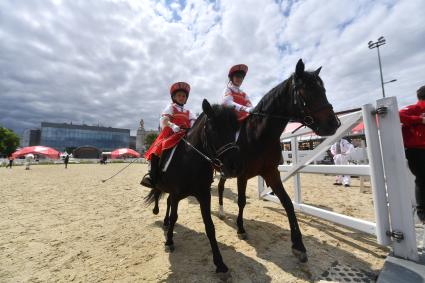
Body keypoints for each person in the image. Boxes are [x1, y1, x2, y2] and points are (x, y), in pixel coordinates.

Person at [141, 82, 196, 188]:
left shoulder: (189, 112)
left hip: (186, 134)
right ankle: (152, 176)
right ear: (174, 97)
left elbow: (194, 122)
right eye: (179, 95)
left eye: (183, 96)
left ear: (186, 99)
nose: (181, 97)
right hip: (171, 134)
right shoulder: (170, 108)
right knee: (156, 151)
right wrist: (172, 125)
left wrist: (193, 129)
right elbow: (164, 119)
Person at [399, 85, 425, 222]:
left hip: (418, 149)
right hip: (417, 150)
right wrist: (420, 120)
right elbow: (399, 115)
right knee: (422, 178)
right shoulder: (415, 109)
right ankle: (422, 213)